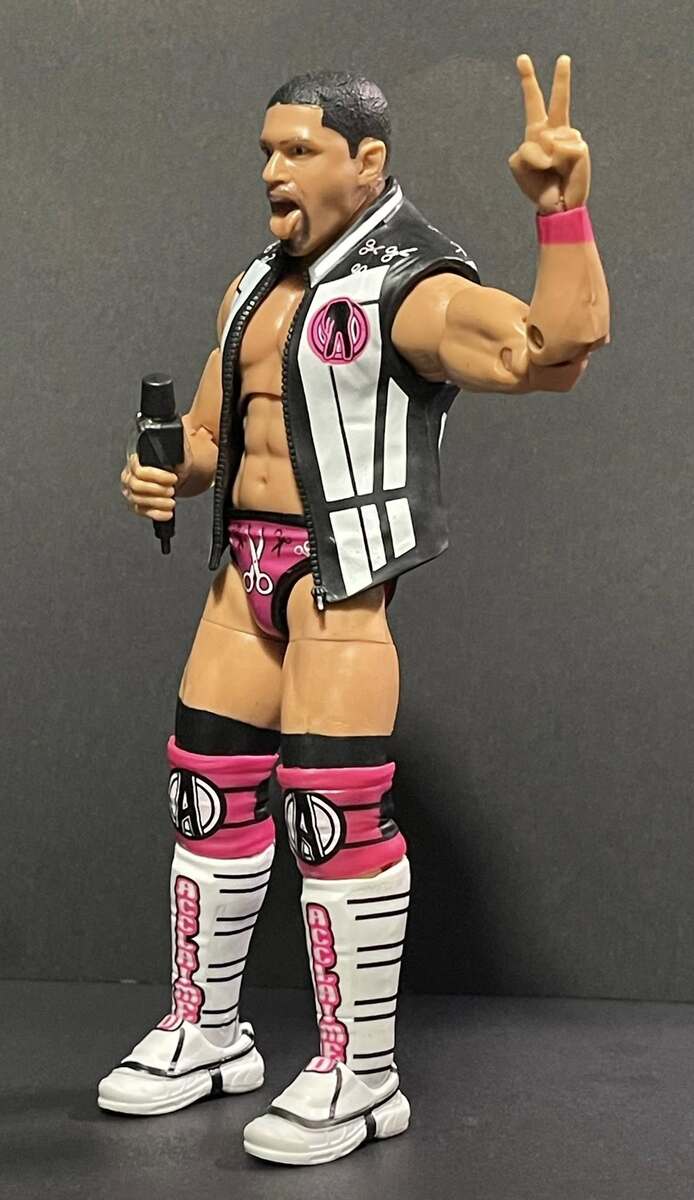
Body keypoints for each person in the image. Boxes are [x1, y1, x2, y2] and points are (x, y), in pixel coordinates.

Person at [101, 59, 609, 1166]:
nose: (273, 172)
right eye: (267, 152)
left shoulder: (408, 284)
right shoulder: (252, 285)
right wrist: (168, 468)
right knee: (205, 793)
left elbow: (549, 352)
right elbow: (213, 432)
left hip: (339, 583)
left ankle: (360, 1071)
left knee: (332, 816)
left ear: (366, 161)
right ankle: (206, 1029)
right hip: (242, 572)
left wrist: (562, 214)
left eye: (299, 151)